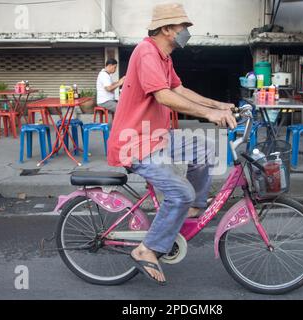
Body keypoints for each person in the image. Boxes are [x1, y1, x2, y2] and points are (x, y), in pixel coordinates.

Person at [107, 3, 236, 285]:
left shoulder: (164, 57)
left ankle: (193, 208)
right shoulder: (146, 52)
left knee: (205, 150)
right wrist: (210, 115)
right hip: (135, 143)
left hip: (157, 137)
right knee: (180, 191)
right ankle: (147, 249)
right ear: (166, 29)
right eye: (183, 28)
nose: (186, 33)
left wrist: (218, 104)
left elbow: (179, 89)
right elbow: (164, 96)